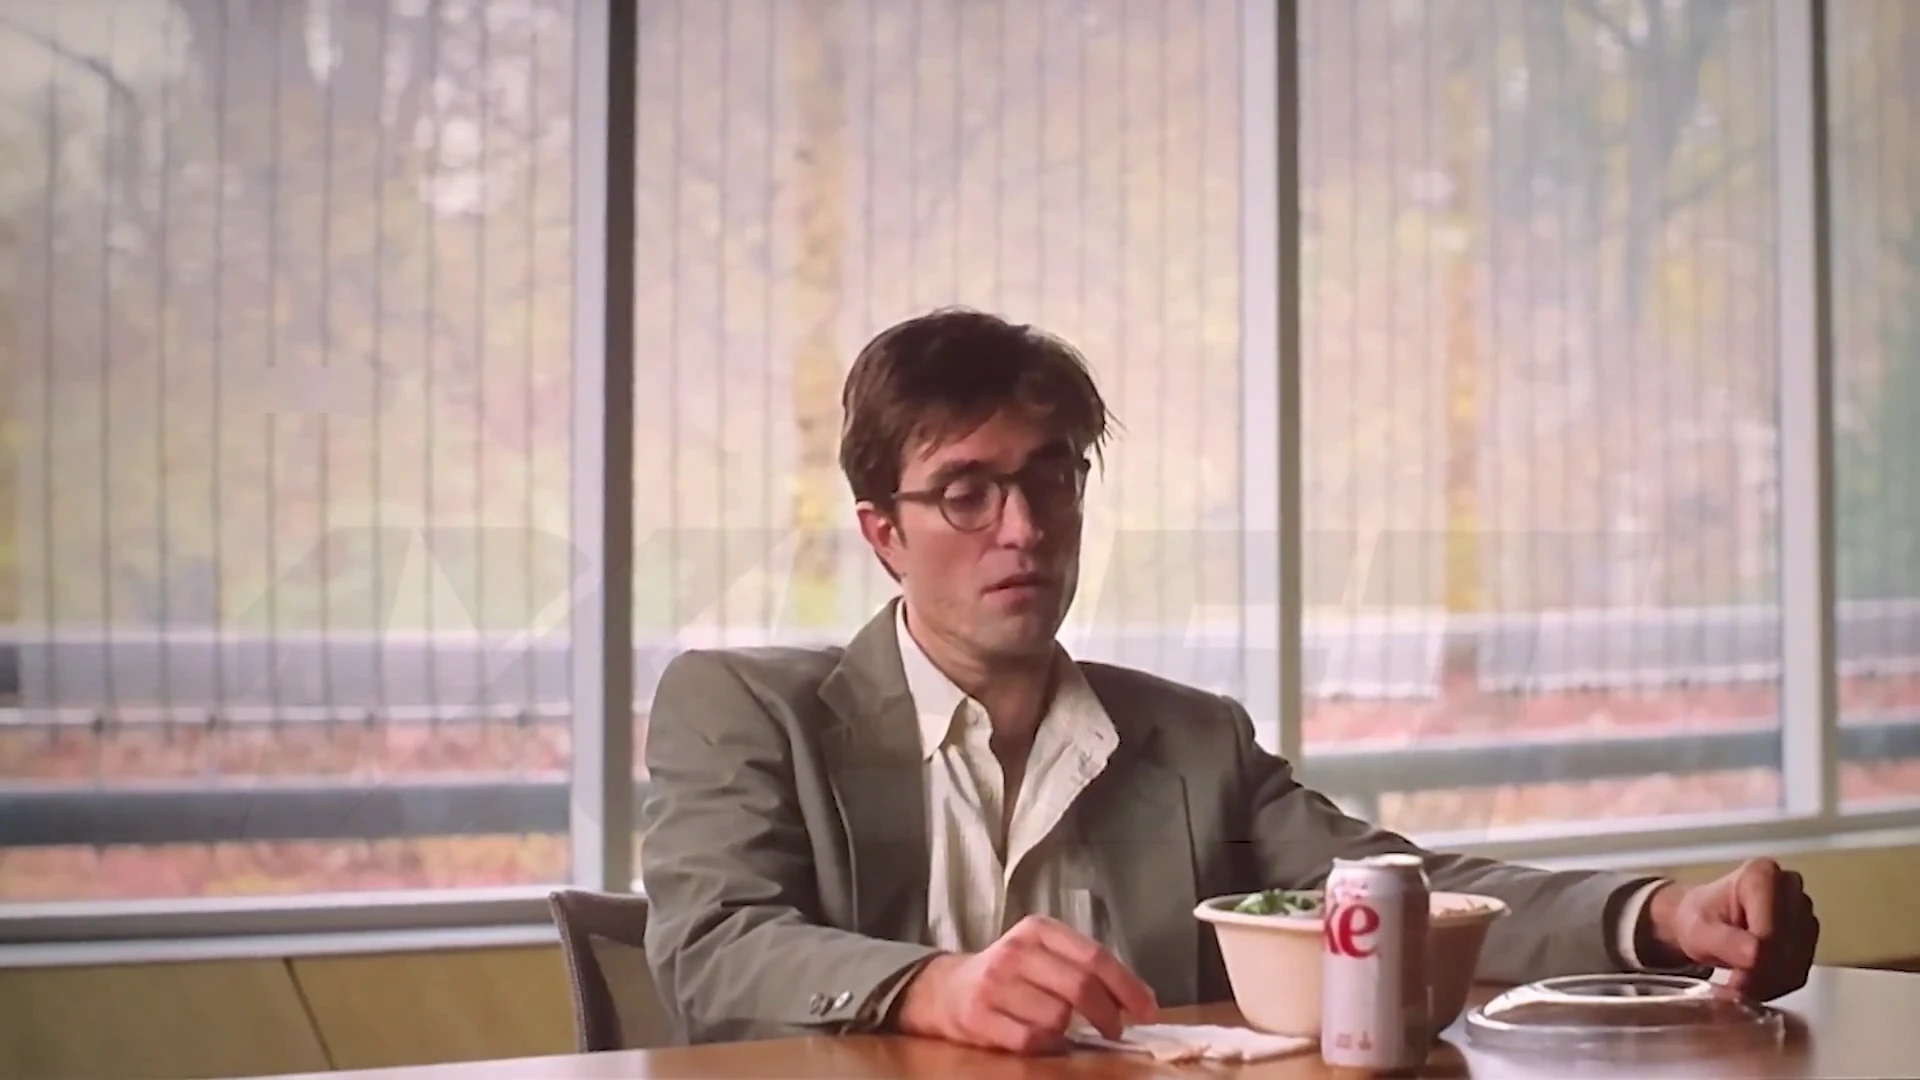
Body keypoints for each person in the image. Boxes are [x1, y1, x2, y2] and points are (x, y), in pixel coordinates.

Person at [638, 307, 1820, 1053]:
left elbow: (1395, 892)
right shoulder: (744, 711)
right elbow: (714, 949)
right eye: (966, 492)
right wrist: (934, 988)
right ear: (882, 534)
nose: (1024, 527)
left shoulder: (1193, 741)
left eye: (1051, 480)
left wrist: (1658, 917)